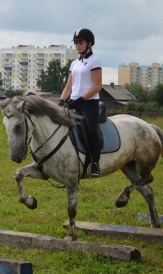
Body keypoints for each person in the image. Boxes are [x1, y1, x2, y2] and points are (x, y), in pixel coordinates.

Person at [59, 28, 102, 178]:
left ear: (89, 43)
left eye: (80, 42)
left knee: (91, 131)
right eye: (76, 43)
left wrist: (81, 100)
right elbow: (69, 86)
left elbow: (97, 86)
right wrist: (61, 100)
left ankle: (95, 164)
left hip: (89, 103)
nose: (77, 45)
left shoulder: (94, 61)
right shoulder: (74, 63)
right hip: (73, 102)